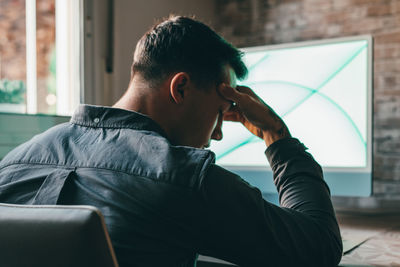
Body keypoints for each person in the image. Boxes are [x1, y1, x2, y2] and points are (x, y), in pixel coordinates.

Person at [0, 16, 342, 267]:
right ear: (181, 88)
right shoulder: (183, 176)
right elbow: (317, 247)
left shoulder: (14, 162)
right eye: (221, 111)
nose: (218, 133)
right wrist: (276, 135)